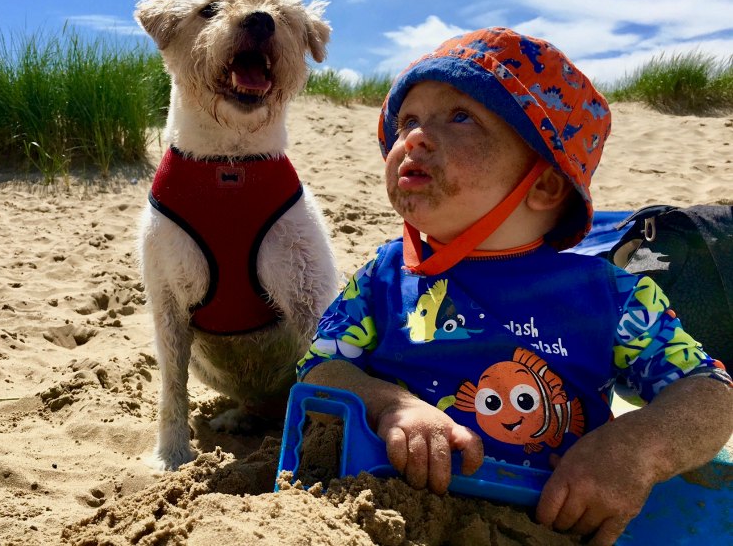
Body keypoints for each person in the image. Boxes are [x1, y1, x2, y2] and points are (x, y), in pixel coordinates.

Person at [297, 27, 733, 545]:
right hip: (387, 512)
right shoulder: (385, 276)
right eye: (407, 121)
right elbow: (318, 370)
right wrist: (387, 402)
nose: (412, 136)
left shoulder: (612, 296)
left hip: (548, 522)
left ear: (546, 183)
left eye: (461, 117)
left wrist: (637, 447)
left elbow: (709, 391)